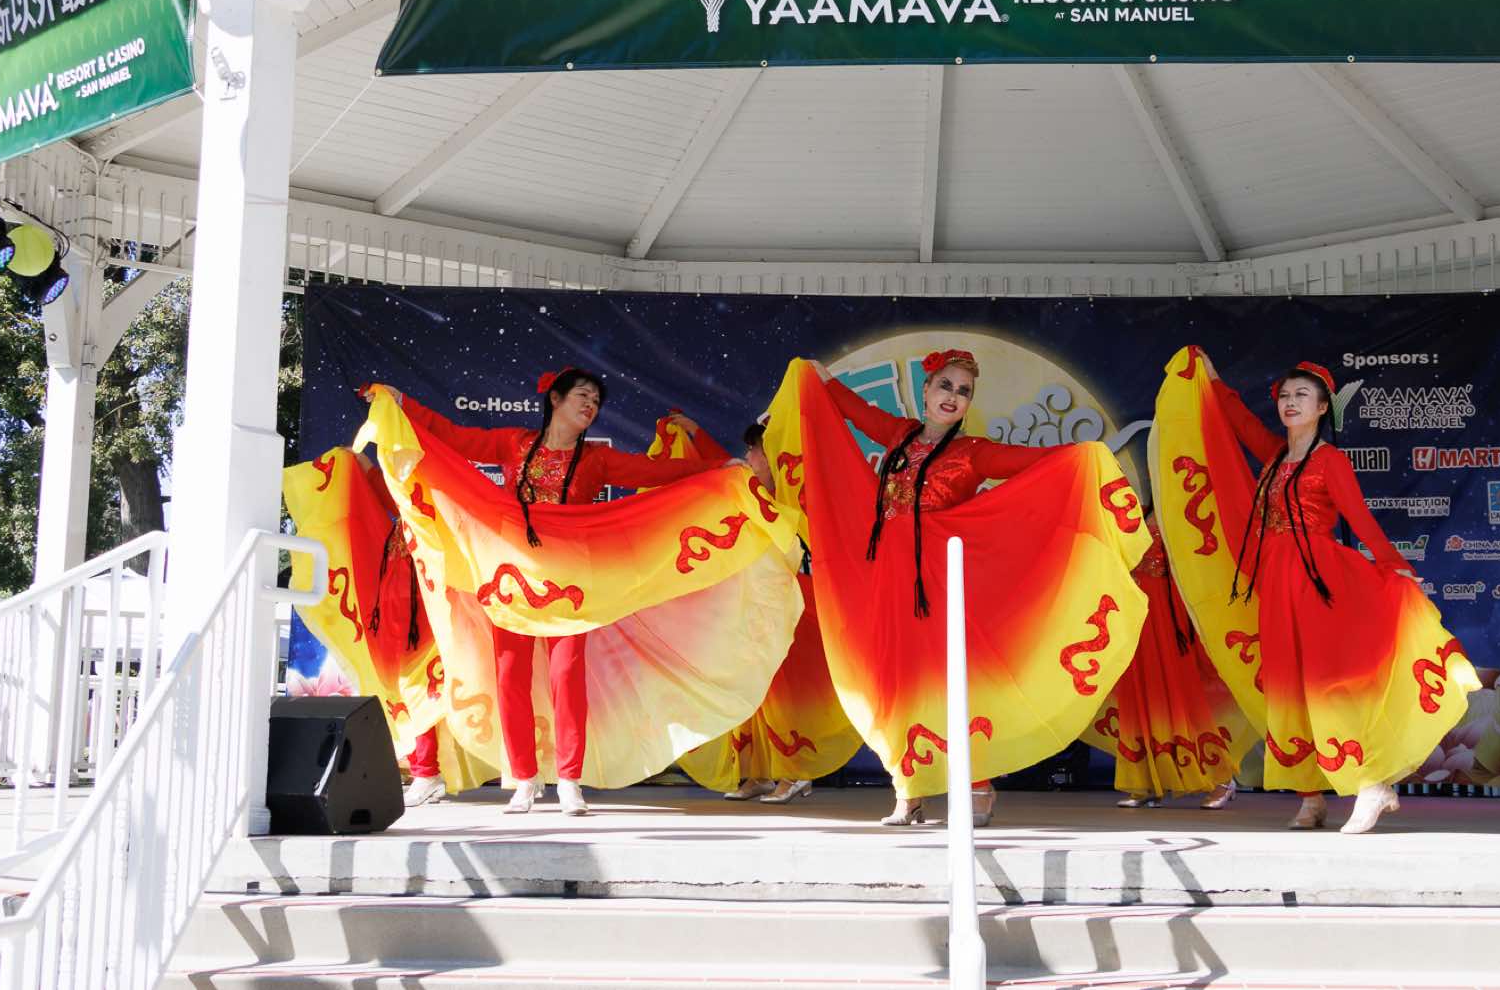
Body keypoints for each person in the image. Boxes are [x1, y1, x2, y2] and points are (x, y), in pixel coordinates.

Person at [760, 350, 1149, 827]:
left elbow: (1033, 462)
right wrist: (821, 381)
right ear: (926, 390)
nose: (953, 396)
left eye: (964, 391)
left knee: (954, 683)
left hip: (938, 585)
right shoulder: (900, 435)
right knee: (895, 683)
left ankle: (977, 783)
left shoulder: (973, 452)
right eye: (946, 385)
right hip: (890, 581)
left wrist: (1084, 455)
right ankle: (909, 789)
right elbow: (853, 411)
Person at [386, 368, 726, 817]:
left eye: (596, 402)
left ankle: (569, 779)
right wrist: (403, 404)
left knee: (566, 675)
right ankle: (524, 779)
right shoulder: (513, 443)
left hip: (571, 581)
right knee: (510, 676)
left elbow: (659, 472)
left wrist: (718, 468)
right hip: (512, 576)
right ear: (556, 399)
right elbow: (453, 437)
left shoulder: (596, 461)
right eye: (582, 396)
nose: (590, 406)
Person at [1185, 354, 1478, 834]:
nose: (1290, 402)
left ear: (1323, 407)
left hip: (1318, 580)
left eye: (1301, 395)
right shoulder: (1276, 455)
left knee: (1331, 684)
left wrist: (1397, 568)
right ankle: (1310, 796)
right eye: (1284, 396)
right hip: (1277, 583)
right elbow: (1240, 423)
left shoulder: (1330, 461)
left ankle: (1372, 783)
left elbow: (1360, 520)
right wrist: (1213, 380)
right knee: (1289, 686)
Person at [681, 422, 861, 805]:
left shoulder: (798, 499)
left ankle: (794, 773)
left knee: (787, 691)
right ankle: (759, 772)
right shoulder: (751, 493)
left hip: (796, 604)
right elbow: (722, 466)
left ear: (774, 456)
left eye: (755, 450)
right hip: (756, 607)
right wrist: (695, 432)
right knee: (754, 688)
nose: (748, 457)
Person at [1085, 509, 1252, 810]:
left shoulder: (1170, 506)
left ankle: (1222, 779)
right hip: (1136, 612)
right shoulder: (1122, 510)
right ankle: (1149, 781)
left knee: (1181, 698)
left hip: (1168, 616)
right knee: (1141, 695)